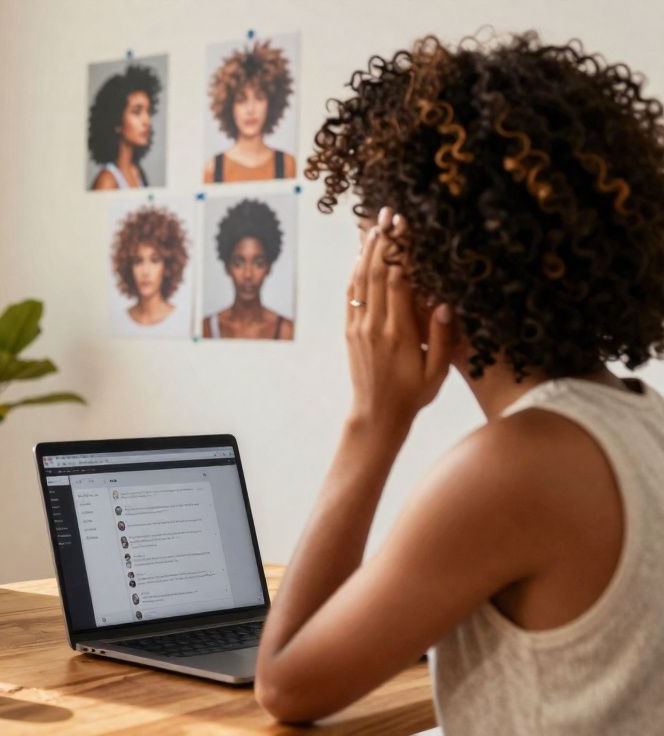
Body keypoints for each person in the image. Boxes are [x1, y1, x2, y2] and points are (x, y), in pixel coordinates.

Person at [253, 33, 664, 732]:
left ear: (414, 257)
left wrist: (372, 422)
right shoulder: (641, 420)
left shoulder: (515, 466)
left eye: (369, 254)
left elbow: (288, 683)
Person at [203, 40, 297, 184]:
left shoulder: (287, 164)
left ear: (271, 103)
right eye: (241, 100)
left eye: (259, 98)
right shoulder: (213, 168)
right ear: (229, 106)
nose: (250, 109)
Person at [201, 199, 294, 340]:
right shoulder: (207, 329)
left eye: (258, 263)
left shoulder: (286, 330)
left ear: (269, 268)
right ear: (227, 267)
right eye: (239, 263)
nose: (248, 274)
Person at [111, 205, 189, 327]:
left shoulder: (182, 321)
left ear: (167, 266)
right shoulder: (118, 322)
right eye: (138, 261)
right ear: (128, 267)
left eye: (154, 260)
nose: (145, 272)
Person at [89, 63, 162, 190]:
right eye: (136, 112)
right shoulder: (107, 181)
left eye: (148, 112)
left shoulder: (138, 172)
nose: (147, 121)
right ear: (117, 122)